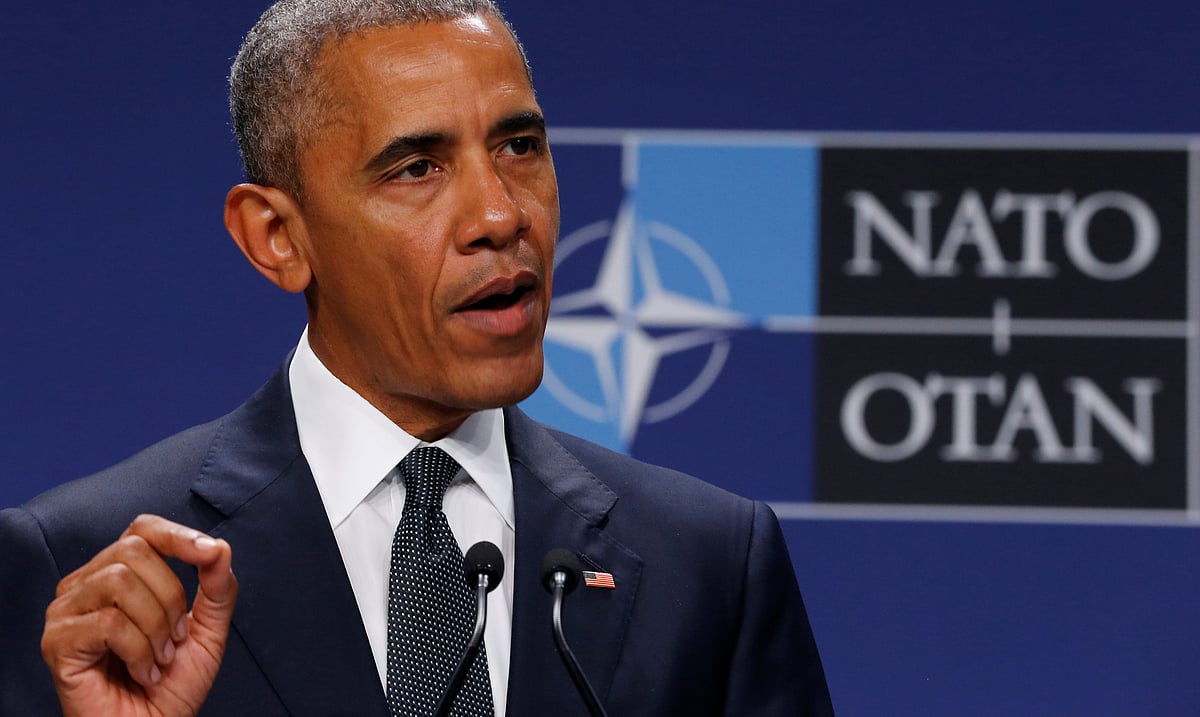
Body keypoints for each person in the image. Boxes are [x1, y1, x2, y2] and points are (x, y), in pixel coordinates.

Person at [0, 1, 834, 715]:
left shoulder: (711, 564)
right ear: (278, 237)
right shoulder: (83, 568)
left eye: (519, 147)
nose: (501, 215)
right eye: (417, 168)